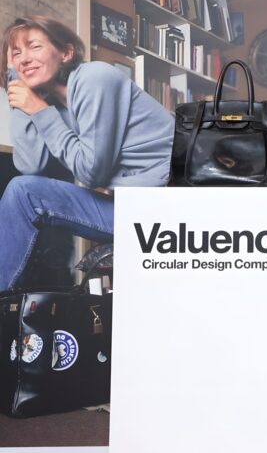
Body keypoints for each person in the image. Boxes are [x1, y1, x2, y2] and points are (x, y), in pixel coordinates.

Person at [0, 16, 173, 292]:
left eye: (34, 46)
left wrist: (39, 110)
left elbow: (91, 172)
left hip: (165, 208)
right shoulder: (53, 105)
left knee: (24, 191)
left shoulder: (95, 78)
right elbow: (30, 165)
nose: (24, 59)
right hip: (130, 206)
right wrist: (19, 92)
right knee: (23, 191)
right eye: (16, 54)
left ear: (66, 53)